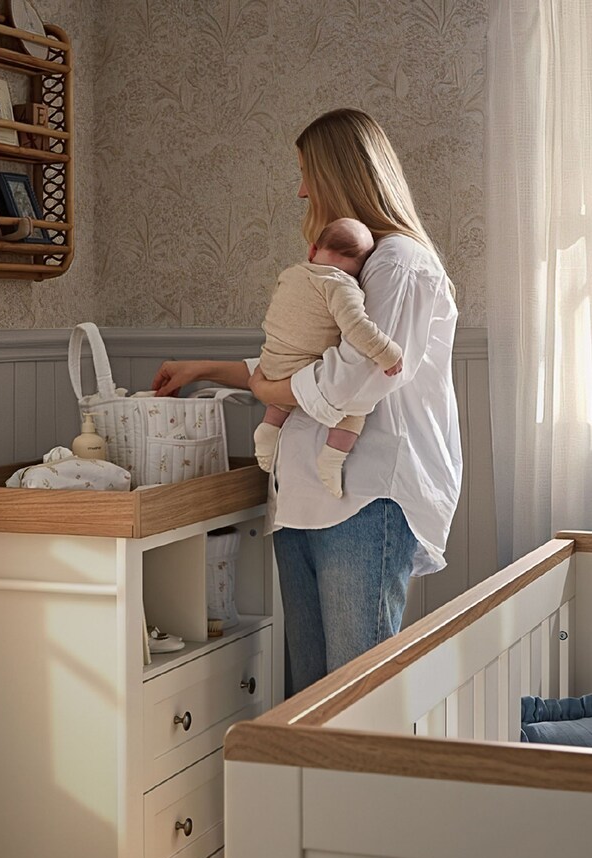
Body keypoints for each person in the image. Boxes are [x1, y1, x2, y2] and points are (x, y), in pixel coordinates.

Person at [152, 107, 462, 698]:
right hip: (305, 500)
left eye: (305, 173)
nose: (299, 190)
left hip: (365, 498)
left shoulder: (399, 264)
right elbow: (300, 365)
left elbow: (354, 380)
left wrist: (267, 390)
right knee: (311, 696)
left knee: (353, 696)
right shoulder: (346, 271)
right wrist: (205, 368)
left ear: (341, 175)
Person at [254, 216, 402, 498]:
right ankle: (332, 460)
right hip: (302, 368)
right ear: (361, 267)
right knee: (357, 409)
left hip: (271, 360)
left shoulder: (291, 274)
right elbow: (357, 328)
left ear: (312, 251)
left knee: (283, 392)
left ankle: (269, 428)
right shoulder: (341, 285)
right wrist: (388, 353)